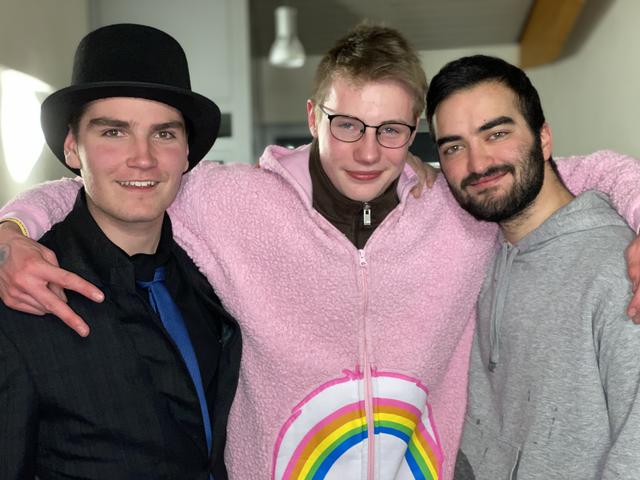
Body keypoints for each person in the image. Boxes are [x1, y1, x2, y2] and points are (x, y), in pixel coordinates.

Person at [1, 24, 640, 479]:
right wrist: (11, 231)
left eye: (391, 130)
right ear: (314, 117)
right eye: (347, 125)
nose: (368, 152)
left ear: (415, 131)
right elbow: (108, 185)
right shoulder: (228, 201)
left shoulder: (457, 204)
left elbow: (572, 173)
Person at [0, 24, 241, 479]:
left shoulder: (212, 273)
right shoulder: (20, 297)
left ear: (186, 154)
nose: (143, 158)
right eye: (114, 132)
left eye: (164, 134)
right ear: (73, 149)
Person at [426, 55, 640, 478]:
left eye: (497, 133)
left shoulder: (619, 267)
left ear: (543, 138)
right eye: (454, 147)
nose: (478, 164)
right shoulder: (474, 252)